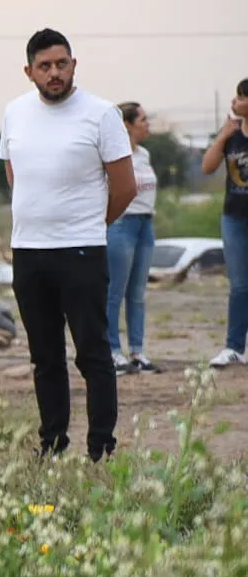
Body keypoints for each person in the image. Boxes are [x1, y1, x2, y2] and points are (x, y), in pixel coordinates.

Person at [0, 28, 136, 462]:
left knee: (92, 352)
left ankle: (101, 447)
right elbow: (14, 174)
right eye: (45, 66)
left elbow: (125, 186)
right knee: (45, 357)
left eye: (61, 64)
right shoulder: (14, 113)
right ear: (29, 71)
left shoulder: (100, 114)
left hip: (81, 250)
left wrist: (92, 224)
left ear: (74, 65)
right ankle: (52, 443)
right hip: (29, 252)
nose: (54, 73)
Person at [106, 101, 161, 375]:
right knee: (114, 291)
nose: (147, 124)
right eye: (142, 119)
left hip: (145, 224)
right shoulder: (116, 154)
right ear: (127, 124)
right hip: (121, 223)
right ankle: (112, 351)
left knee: (137, 293)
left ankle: (137, 351)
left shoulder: (145, 155)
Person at [200, 79, 248, 368]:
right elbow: (207, 167)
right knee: (240, 285)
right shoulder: (231, 135)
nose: (234, 102)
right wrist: (222, 136)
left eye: (240, 97)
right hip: (233, 217)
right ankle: (234, 347)